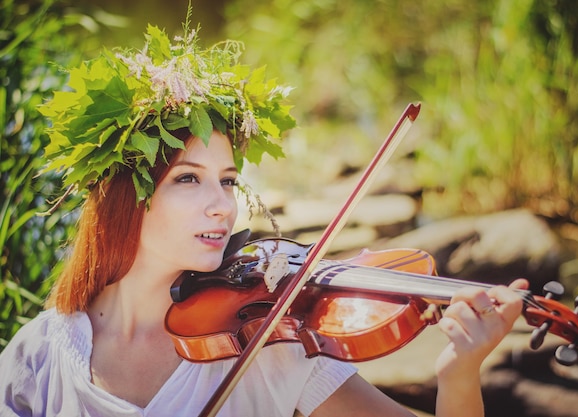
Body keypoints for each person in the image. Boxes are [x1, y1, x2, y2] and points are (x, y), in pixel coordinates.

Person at [0, 9, 528, 417]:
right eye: (188, 178)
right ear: (125, 200)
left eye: (228, 181)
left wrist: (458, 375)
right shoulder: (42, 355)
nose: (222, 205)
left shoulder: (269, 343)